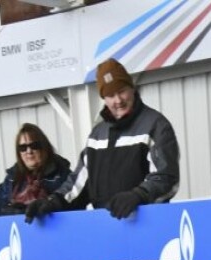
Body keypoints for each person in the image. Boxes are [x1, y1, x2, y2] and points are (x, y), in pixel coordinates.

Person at [25, 59, 179, 223]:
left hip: (146, 225)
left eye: (122, 91)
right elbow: (79, 183)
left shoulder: (155, 125)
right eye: (110, 95)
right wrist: (53, 202)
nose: (118, 100)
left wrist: (138, 195)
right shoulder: (97, 134)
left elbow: (166, 178)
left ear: (132, 89)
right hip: (105, 227)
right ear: (104, 98)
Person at [0, 124, 71, 217]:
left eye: (34, 145)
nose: (28, 151)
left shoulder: (62, 175)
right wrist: (13, 212)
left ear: (44, 147)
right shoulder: (13, 178)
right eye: (23, 148)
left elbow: (73, 203)